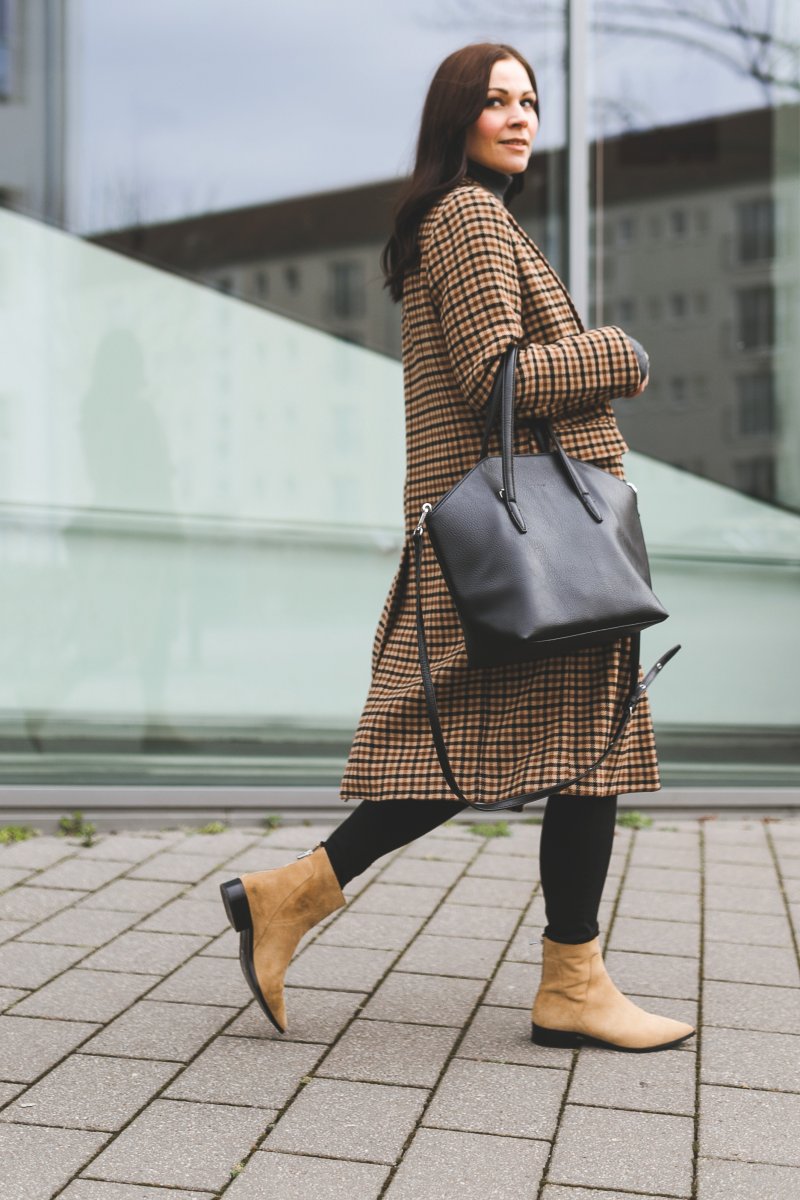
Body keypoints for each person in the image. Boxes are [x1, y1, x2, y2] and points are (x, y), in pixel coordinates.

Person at [220, 43, 694, 1053]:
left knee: (531, 750)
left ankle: (298, 896)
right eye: (494, 101)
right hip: (532, 537)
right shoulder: (471, 216)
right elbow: (494, 378)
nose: (518, 117)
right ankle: (561, 982)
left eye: (528, 99)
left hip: (512, 534)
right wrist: (623, 353)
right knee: (571, 746)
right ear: (456, 119)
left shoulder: (462, 218)